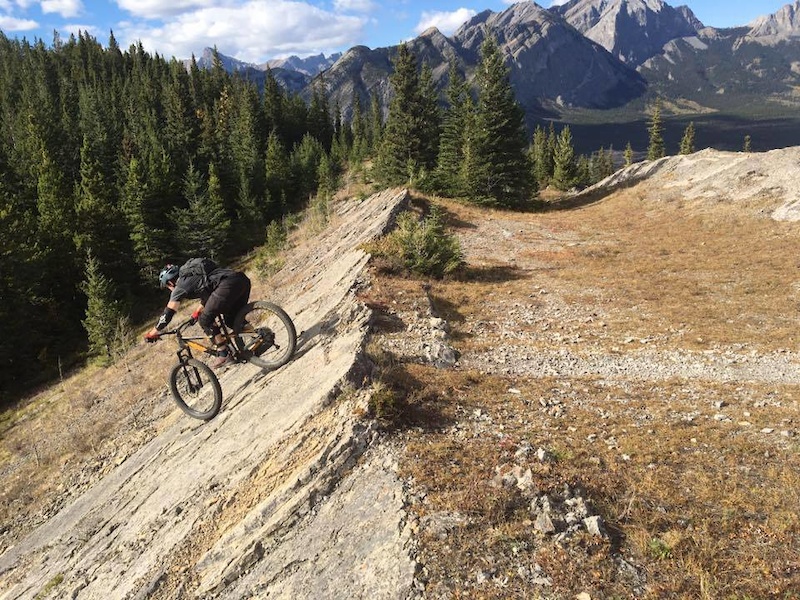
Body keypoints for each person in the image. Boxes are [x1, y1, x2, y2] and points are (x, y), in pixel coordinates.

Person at [144, 258, 251, 368]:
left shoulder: (179, 287)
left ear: (170, 282)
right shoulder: (194, 277)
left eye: (167, 286)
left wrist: (153, 333)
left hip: (226, 286)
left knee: (205, 320)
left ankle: (224, 353)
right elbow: (208, 297)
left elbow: (168, 313)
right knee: (232, 320)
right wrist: (196, 312)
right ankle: (259, 337)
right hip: (240, 279)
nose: (169, 289)